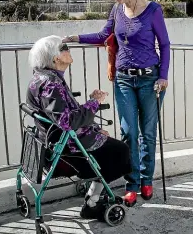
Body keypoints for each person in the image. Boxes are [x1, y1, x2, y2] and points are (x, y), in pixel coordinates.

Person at [62, 0, 171, 207]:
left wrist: (163, 76)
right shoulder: (117, 10)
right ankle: (131, 184)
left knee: (148, 132)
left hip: (150, 79)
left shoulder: (153, 10)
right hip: (123, 79)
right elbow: (103, 36)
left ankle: (146, 180)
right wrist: (76, 37)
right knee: (129, 132)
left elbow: (164, 45)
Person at [26, 35, 132, 219]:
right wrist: (94, 102)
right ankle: (93, 202)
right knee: (121, 151)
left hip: (58, 141)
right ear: (55, 58)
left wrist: (94, 128)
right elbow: (67, 121)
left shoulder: (42, 78)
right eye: (63, 48)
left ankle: (95, 192)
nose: (68, 50)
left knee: (108, 141)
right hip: (69, 149)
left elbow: (64, 113)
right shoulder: (51, 84)